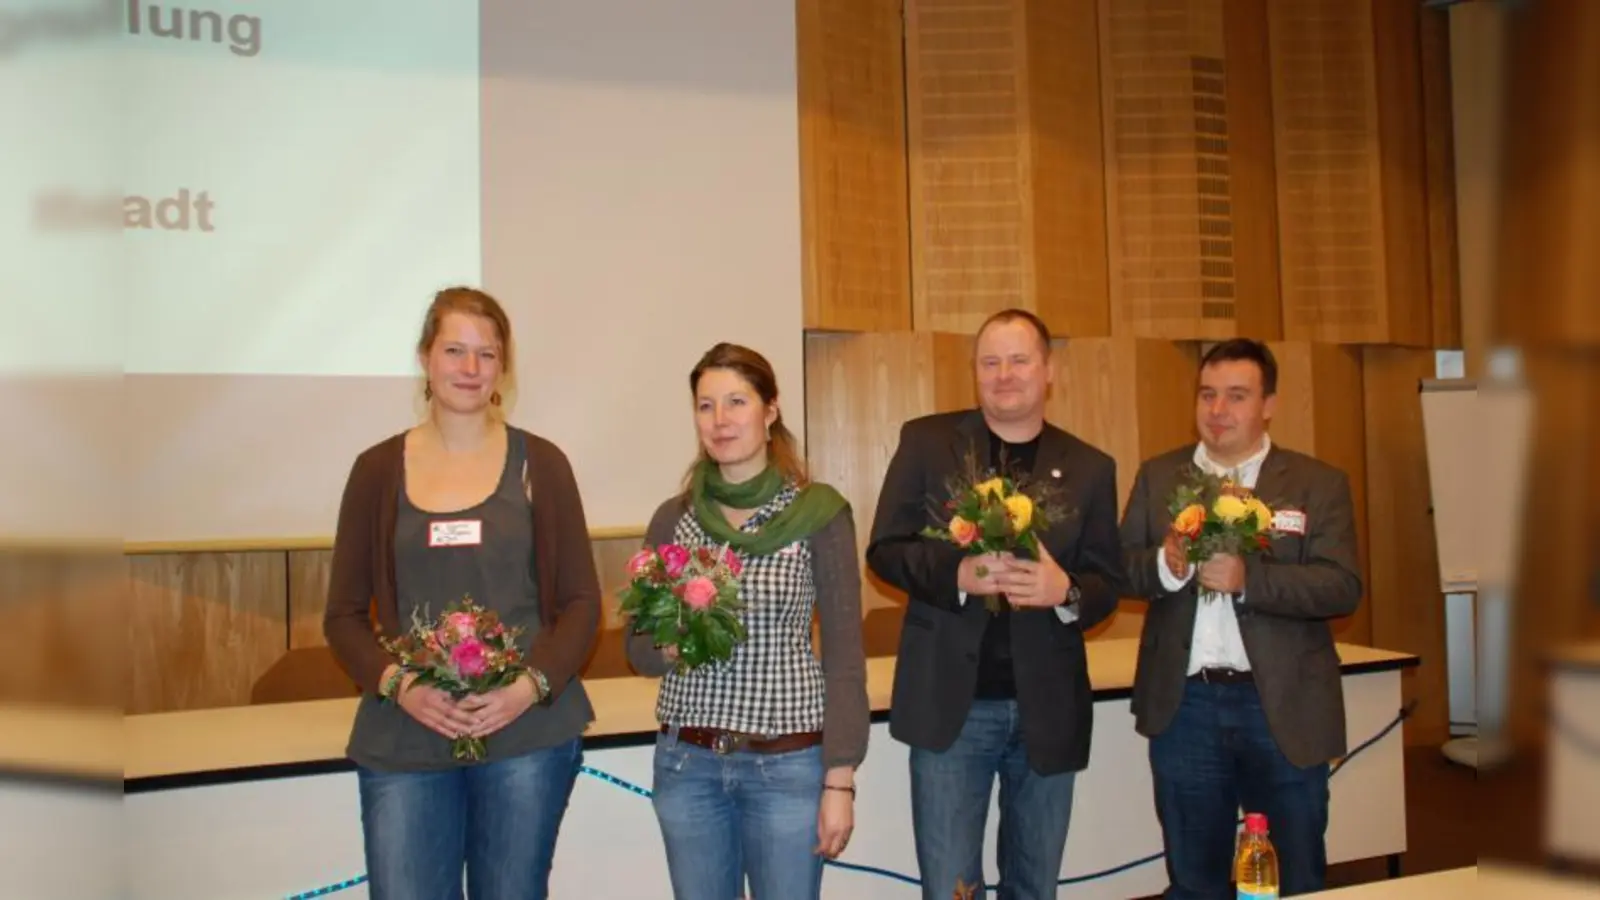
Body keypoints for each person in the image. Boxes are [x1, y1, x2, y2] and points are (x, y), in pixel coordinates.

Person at [323, 287, 601, 900]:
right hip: (405, 735)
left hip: (526, 736)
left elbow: (582, 603)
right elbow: (342, 616)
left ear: (503, 367)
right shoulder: (375, 471)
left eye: (486, 353)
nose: (470, 369)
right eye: (455, 350)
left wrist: (527, 689)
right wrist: (403, 687)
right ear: (426, 357)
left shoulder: (542, 465)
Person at [865, 309, 1126, 900]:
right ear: (975, 372)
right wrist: (955, 572)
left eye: (1018, 360)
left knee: (1034, 887)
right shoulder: (927, 443)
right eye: (990, 362)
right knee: (951, 889)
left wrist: (1068, 593)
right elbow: (884, 550)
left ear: (1048, 370)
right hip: (950, 710)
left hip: (1047, 709)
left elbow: (1108, 582)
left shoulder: (1089, 467)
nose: (1004, 375)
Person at [1118, 338, 1362, 898]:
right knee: (1194, 877)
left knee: (1293, 873)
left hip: (1281, 709)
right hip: (1187, 708)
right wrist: (1166, 563)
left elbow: (1342, 586)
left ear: (1268, 404)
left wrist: (1250, 579)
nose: (1218, 411)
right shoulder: (1160, 477)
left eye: (1236, 396)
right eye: (1207, 395)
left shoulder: (1315, 483)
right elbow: (1121, 569)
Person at [626, 342, 868, 900]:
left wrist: (840, 780)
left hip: (787, 768)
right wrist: (673, 642)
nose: (721, 420)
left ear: (770, 410)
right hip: (688, 765)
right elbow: (637, 651)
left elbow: (845, 657)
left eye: (736, 401)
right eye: (706, 406)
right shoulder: (675, 516)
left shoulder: (819, 514)